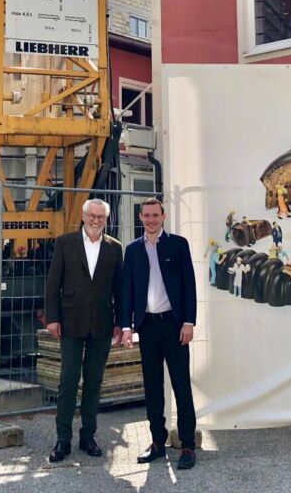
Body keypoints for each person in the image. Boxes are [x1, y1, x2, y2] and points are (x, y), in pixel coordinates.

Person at [44, 199, 123, 463]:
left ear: (106, 219)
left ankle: (88, 436)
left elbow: (120, 289)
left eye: (101, 217)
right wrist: (52, 319)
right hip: (71, 322)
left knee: (93, 382)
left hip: (102, 323)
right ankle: (62, 439)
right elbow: (52, 284)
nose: (96, 220)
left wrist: (121, 322)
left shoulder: (115, 248)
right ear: (83, 215)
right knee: (68, 380)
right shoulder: (65, 243)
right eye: (92, 215)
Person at [121, 199, 198, 471]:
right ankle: (157, 442)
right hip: (148, 327)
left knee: (181, 385)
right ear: (140, 217)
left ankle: (187, 445)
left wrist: (188, 322)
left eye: (156, 215)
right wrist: (127, 325)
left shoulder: (178, 245)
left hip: (174, 326)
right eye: (147, 215)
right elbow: (127, 290)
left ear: (163, 216)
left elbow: (189, 285)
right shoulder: (133, 250)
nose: (151, 219)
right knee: (152, 387)